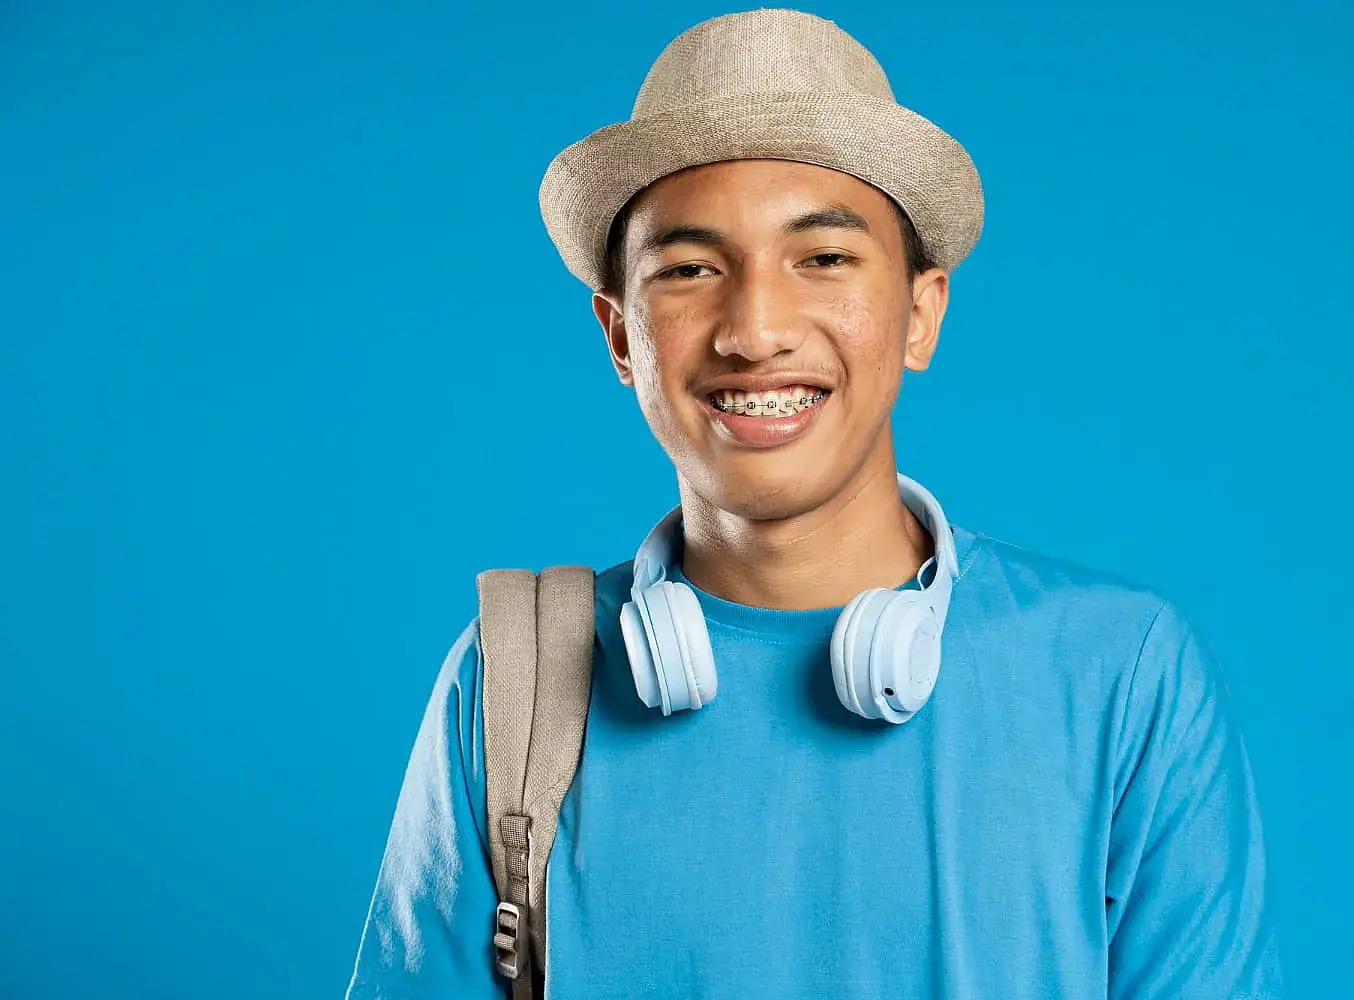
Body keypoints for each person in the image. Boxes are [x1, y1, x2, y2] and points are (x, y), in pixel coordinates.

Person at [345, 8, 1284, 999]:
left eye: (824, 258)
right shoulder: (515, 678)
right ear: (621, 337)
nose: (755, 330)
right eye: (691, 269)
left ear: (920, 312)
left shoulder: (1119, 670)